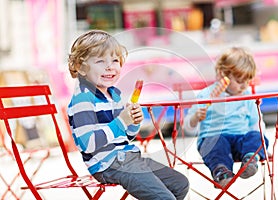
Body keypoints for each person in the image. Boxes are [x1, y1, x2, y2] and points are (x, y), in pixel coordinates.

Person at [67, 30, 189, 200]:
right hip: (108, 164)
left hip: (129, 157)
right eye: (100, 61)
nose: (110, 66)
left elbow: (127, 136)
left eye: (115, 60)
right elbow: (88, 144)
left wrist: (133, 122)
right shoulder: (83, 99)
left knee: (180, 184)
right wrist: (121, 122)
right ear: (81, 67)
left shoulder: (114, 94)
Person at [183, 47, 269, 188]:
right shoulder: (205, 95)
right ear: (223, 74)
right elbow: (188, 127)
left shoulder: (247, 96)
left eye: (247, 81)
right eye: (239, 81)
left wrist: (261, 146)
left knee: (256, 135)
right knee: (215, 143)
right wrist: (195, 119)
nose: (244, 86)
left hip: (241, 141)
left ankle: (251, 159)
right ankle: (222, 172)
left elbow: (256, 122)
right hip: (215, 138)